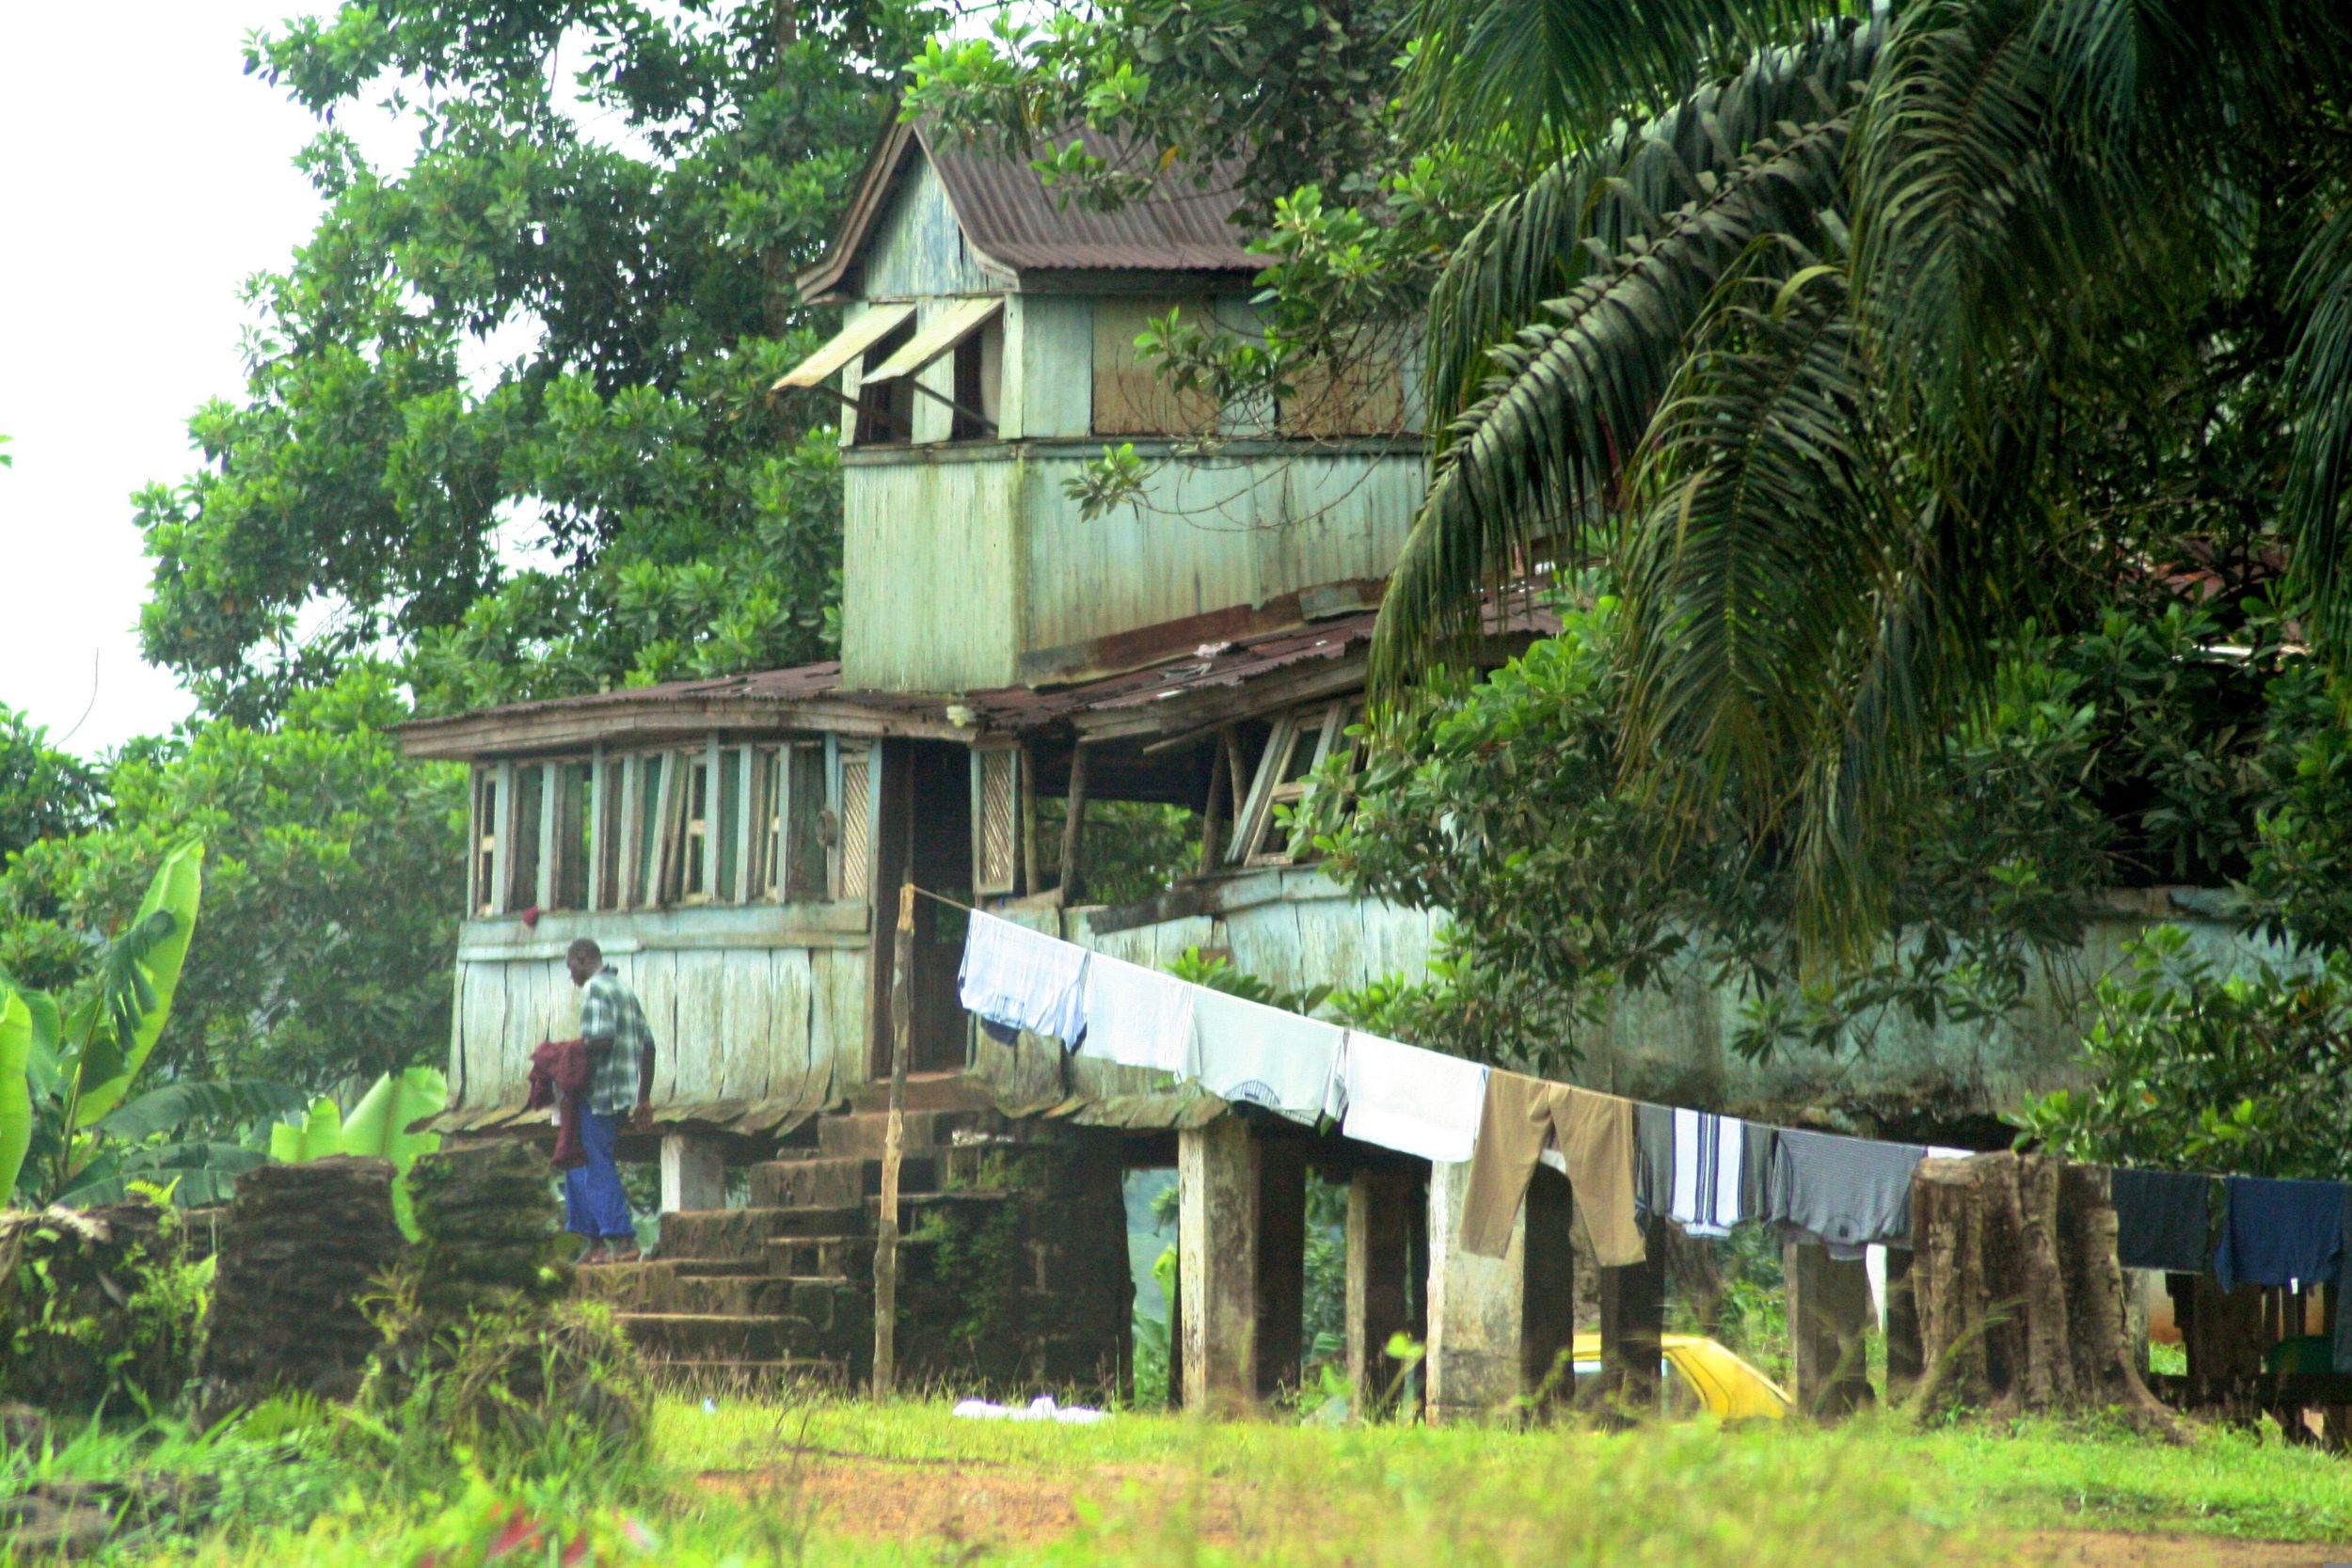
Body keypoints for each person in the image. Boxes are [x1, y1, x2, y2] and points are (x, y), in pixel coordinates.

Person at [565, 937, 656, 1264]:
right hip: (622, 1095)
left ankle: (624, 1237)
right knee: (575, 1162)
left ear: (581, 959)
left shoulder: (595, 989)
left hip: (598, 1095)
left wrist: (568, 1052)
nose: (572, 978)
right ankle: (595, 1242)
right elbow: (649, 1047)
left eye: (570, 968)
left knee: (594, 1163)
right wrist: (643, 1099)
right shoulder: (624, 990)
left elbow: (600, 1040)